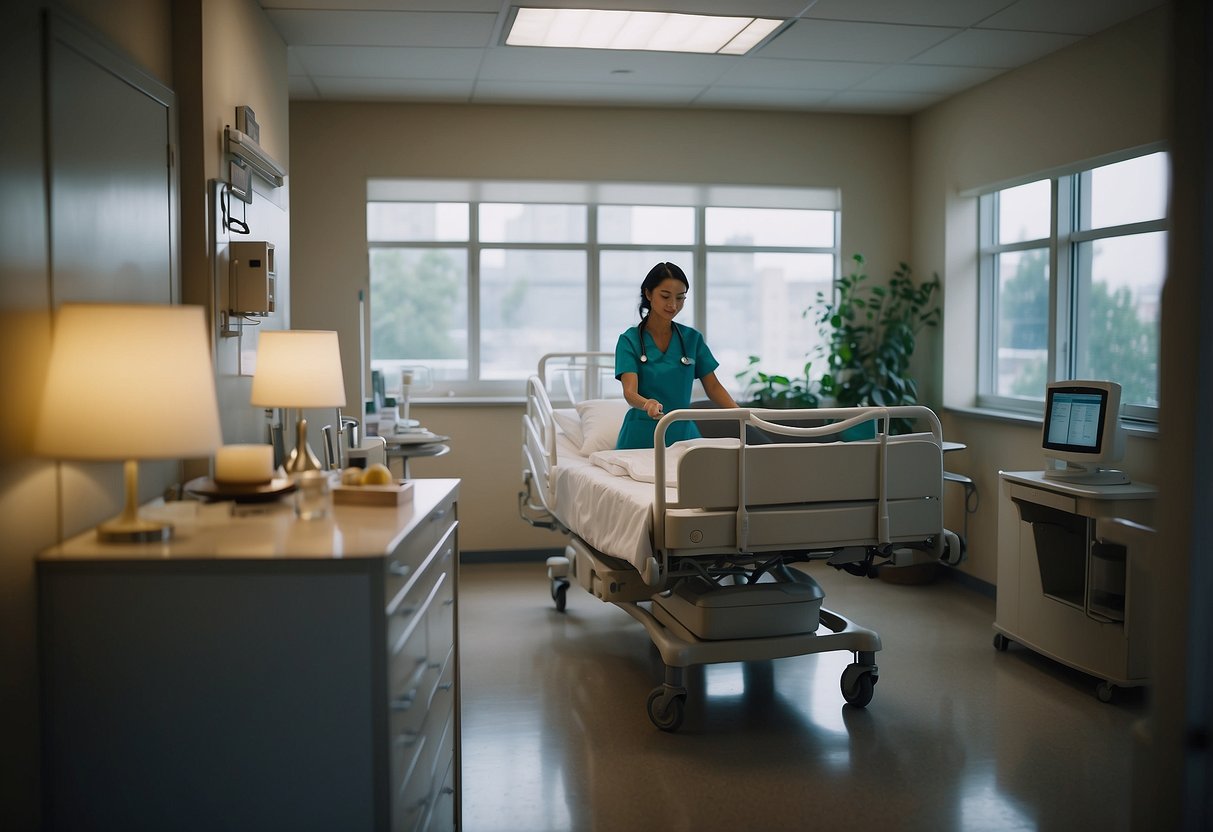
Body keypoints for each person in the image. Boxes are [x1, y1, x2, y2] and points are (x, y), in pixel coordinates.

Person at [614, 262, 739, 449]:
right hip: (641, 436)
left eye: (680, 298)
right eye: (665, 296)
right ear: (649, 294)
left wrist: (742, 414)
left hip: (683, 434)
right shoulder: (629, 341)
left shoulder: (692, 339)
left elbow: (713, 387)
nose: (673, 305)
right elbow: (630, 392)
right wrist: (647, 404)